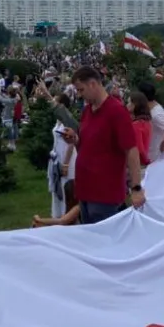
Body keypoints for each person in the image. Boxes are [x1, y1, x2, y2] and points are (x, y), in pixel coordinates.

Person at [62, 67, 144, 225]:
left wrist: (136, 188)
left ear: (93, 84)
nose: (79, 95)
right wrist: (75, 140)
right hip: (85, 190)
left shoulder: (116, 111)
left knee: (105, 242)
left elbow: (131, 150)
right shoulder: (87, 111)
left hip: (104, 194)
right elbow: (87, 145)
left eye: (81, 90)